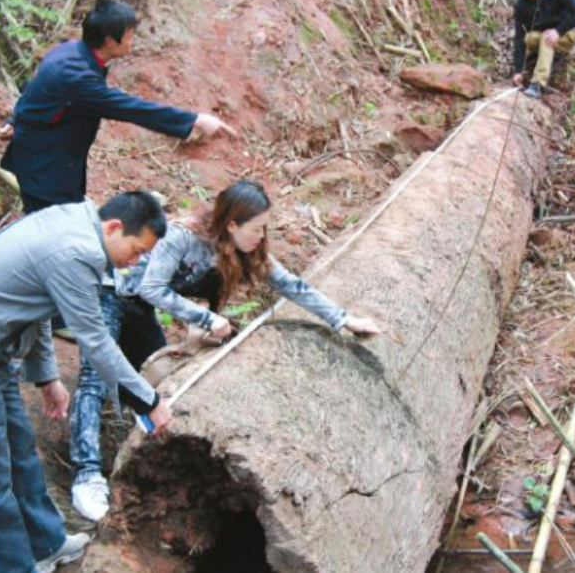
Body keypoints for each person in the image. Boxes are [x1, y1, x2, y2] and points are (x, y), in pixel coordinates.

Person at [67, 180, 380, 521]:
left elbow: (293, 286)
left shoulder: (248, 252)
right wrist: (204, 317)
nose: (261, 236)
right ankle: (87, 476)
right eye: (256, 228)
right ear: (232, 224)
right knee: (95, 378)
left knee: (157, 387)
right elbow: (151, 286)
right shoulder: (183, 237)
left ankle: (137, 461)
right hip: (112, 294)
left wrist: (344, 320)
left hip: (140, 310)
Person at [0, 191, 174, 573]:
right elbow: (96, 342)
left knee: (20, 454)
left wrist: (47, 377)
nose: (134, 262)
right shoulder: (76, 251)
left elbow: (35, 304)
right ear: (114, 227)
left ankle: (47, 543)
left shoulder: (74, 220)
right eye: (137, 251)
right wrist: (149, 400)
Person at [0, 0, 235, 214]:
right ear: (110, 41)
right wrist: (195, 120)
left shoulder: (70, 52)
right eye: (130, 35)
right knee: (55, 240)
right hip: (46, 172)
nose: (133, 40)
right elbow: (130, 108)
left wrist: (15, 119)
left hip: (55, 163)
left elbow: (36, 90)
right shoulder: (77, 77)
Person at [511, 0, 575, 100]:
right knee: (528, 38)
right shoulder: (521, 3)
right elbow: (519, 37)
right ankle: (528, 68)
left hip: (566, 33)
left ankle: (537, 84)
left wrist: (558, 31)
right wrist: (518, 70)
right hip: (542, 34)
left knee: (547, 38)